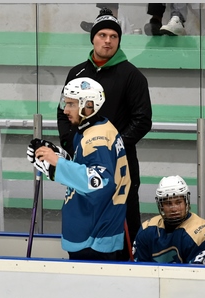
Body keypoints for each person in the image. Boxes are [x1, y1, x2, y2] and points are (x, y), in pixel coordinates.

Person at [57, 7, 152, 260]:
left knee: (123, 222)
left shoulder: (133, 76)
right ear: (93, 38)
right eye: (102, 35)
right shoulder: (76, 73)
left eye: (113, 36)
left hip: (121, 164)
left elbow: (142, 120)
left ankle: (127, 268)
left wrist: (114, 146)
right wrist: (71, 144)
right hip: (82, 160)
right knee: (83, 213)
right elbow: (62, 112)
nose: (107, 40)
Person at [29, 77, 130, 261]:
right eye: (65, 103)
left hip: (94, 237)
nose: (65, 110)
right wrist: (59, 160)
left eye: (71, 104)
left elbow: (99, 182)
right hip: (94, 229)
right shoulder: (94, 128)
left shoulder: (97, 139)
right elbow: (87, 167)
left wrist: (58, 164)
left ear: (89, 105)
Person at [132, 175, 205, 264]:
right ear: (161, 206)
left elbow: (197, 271)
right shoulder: (146, 230)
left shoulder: (202, 233)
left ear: (186, 202)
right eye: (168, 203)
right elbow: (138, 269)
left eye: (178, 202)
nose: (174, 209)